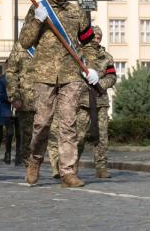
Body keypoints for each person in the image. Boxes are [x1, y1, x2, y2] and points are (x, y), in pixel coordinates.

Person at [19, 0, 98, 188]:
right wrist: (36, 21)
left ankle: (68, 172)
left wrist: (91, 68)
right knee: (42, 124)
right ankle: (35, 159)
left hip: (70, 75)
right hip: (44, 76)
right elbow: (24, 42)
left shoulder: (76, 12)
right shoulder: (38, 8)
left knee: (68, 124)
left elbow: (89, 42)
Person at [49, 26, 117, 179]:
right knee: (78, 137)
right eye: (93, 37)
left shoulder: (106, 57)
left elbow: (112, 77)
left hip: (100, 100)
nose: (96, 40)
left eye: (98, 37)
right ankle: (71, 168)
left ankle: (101, 167)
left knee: (102, 137)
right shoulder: (77, 54)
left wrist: (100, 84)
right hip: (81, 101)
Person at [5, 43, 36, 168]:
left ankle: (59, 169)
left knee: (52, 133)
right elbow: (11, 72)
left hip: (47, 98)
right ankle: (29, 164)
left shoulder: (47, 41)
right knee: (28, 135)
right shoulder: (20, 47)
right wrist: (14, 96)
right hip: (26, 99)